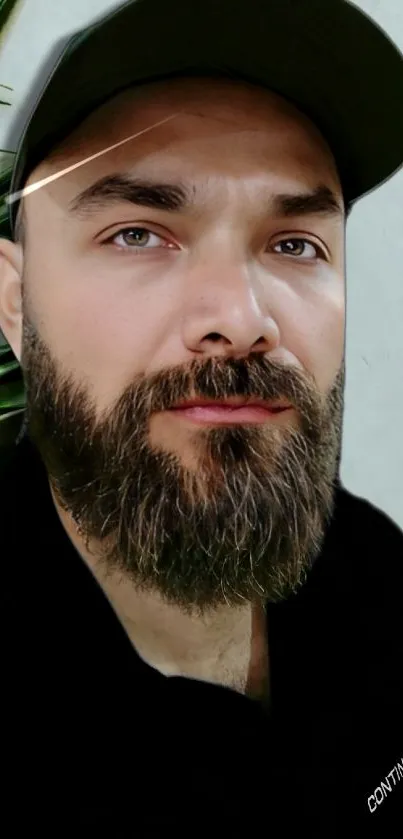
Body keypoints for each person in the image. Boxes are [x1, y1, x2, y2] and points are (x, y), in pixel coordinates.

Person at [0, 0, 402, 832]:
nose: (242, 316)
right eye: (139, 233)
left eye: (293, 243)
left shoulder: (375, 575)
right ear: (13, 299)